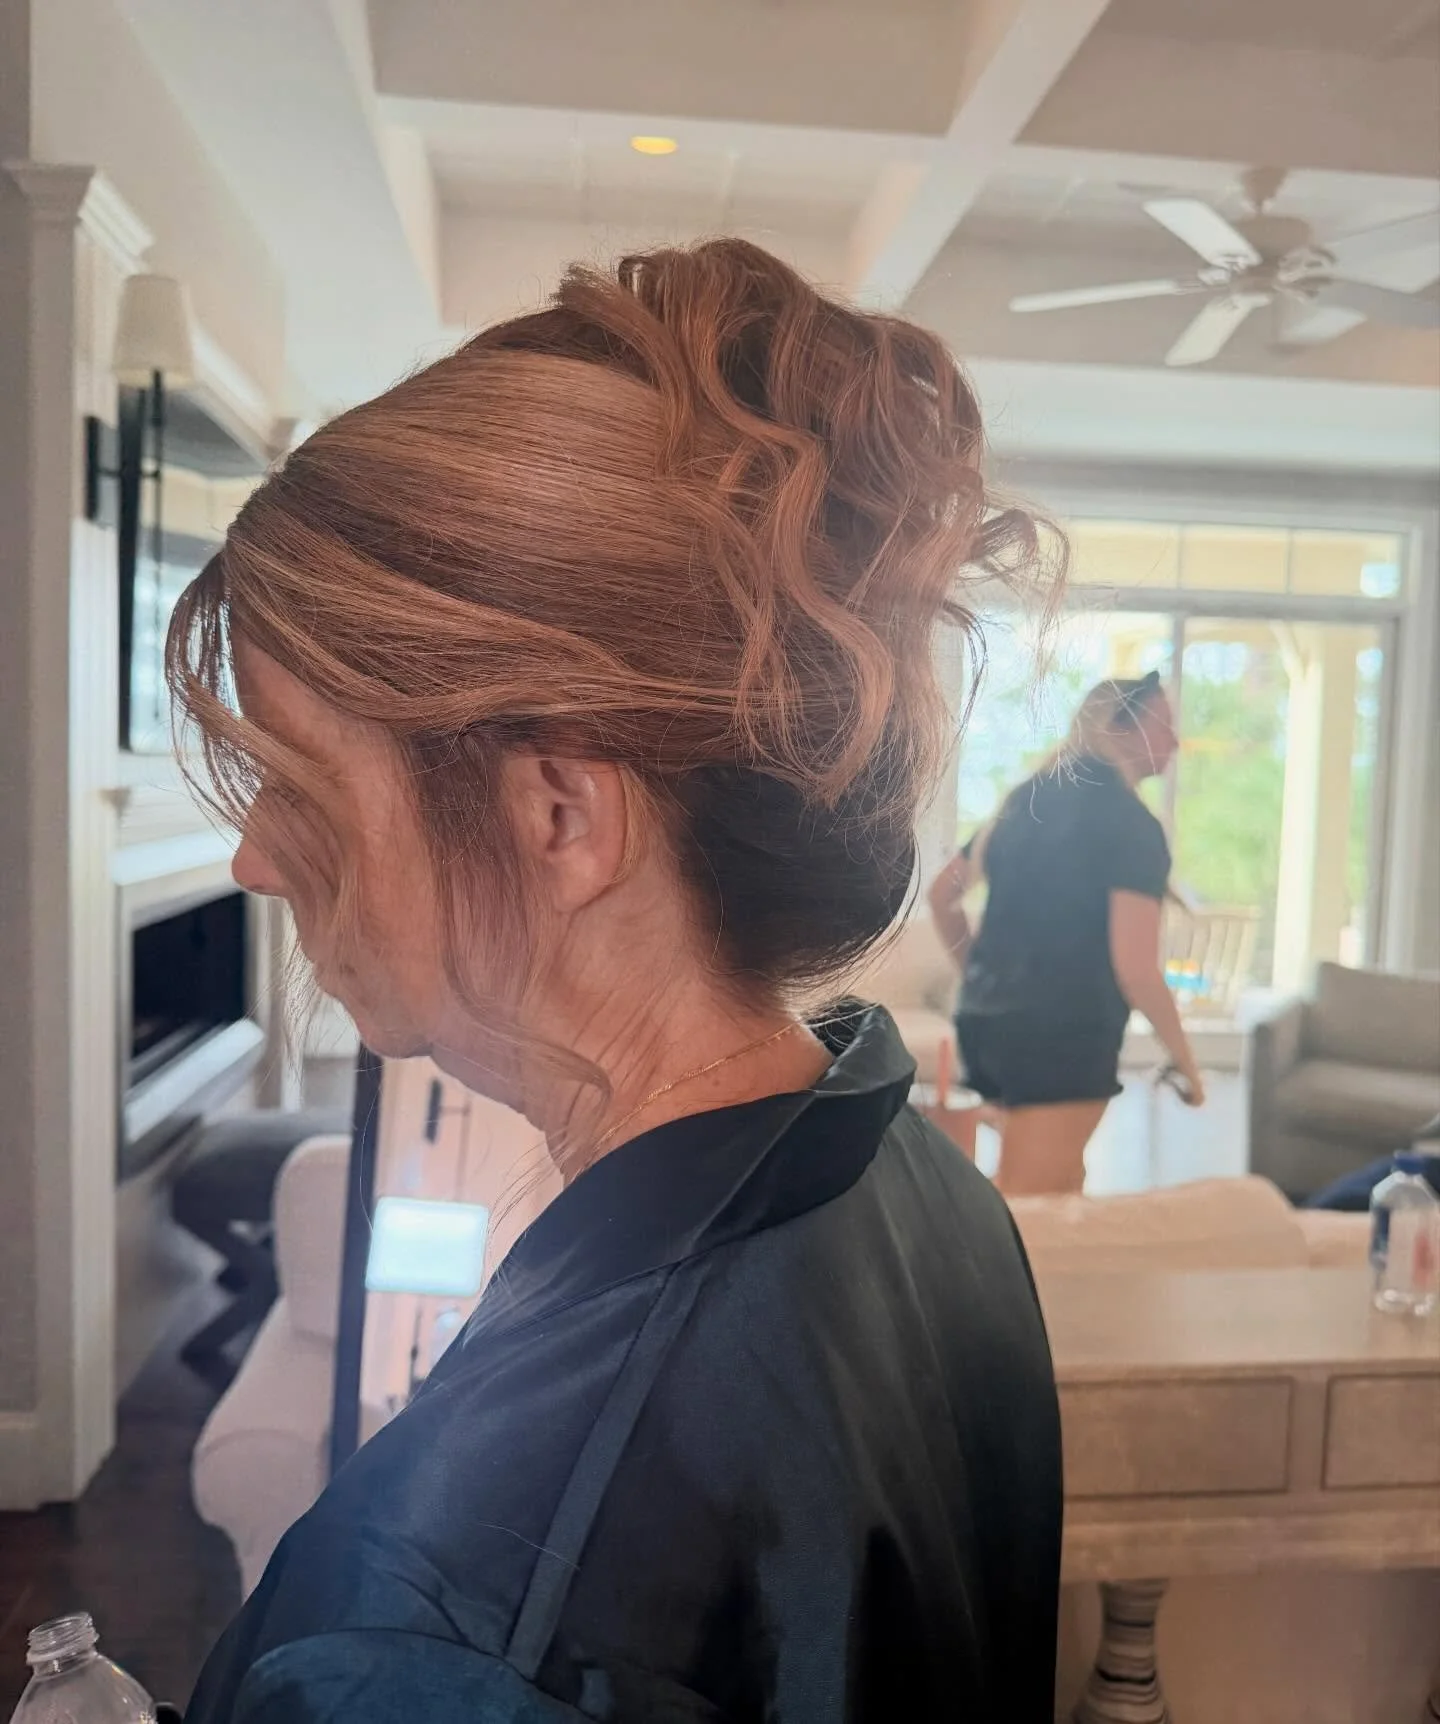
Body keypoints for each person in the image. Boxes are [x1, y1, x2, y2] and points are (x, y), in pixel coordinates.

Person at [170, 241, 1063, 1723]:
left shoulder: (448, 1620)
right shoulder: (920, 1188)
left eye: (304, 786)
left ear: (561, 816)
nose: (260, 859)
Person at [929, 671, 1205, 1197]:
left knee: (1053, 1183)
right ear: (1119, 728)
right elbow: (1136, 969)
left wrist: (980, 975)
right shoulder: (1131, 826)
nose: (1174, 741)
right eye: (1163, 725)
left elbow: (943, 895)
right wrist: (1188, 1064)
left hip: (986, 1029)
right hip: (1062, 1038)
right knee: (1034, 1203)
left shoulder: (1025, 798)